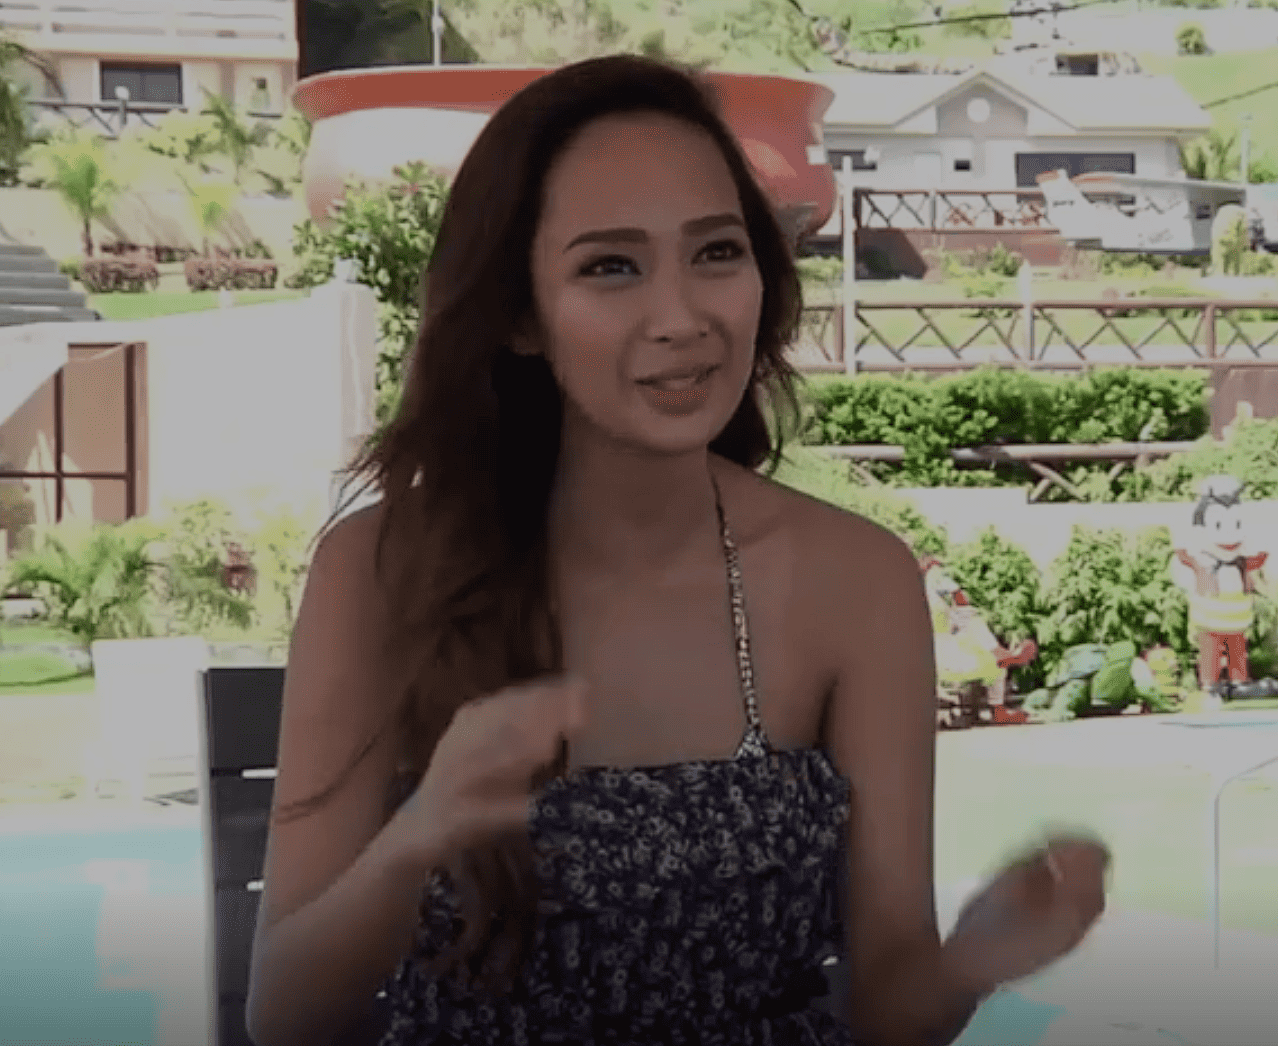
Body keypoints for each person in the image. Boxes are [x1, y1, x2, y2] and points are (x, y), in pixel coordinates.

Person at [245, 54, 1109, 1046]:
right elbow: (287, 1014)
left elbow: (888, 1007)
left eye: (716, 253)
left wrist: (974, 958)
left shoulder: (858, 580)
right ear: (520, 312)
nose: (682, 317)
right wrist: (422, 830)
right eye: (610, 266)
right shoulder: (380, 571)